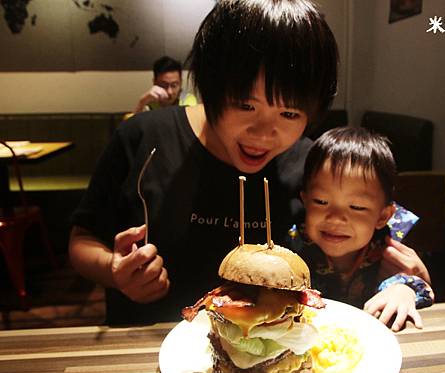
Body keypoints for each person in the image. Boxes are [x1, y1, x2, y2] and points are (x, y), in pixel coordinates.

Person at [69, 0, 338, 325]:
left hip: (268, 353)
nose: (265, 134)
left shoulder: (311, 164)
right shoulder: (142, 137)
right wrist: (114, 271)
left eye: (290, 113)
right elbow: (82, 240)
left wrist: (399, 274)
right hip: (143, 346)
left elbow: (376, 227)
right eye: (245, 105)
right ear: (210, 87)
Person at [292, 127, 434, 331]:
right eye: (321, 201)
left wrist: (402, 290)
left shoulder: (388, 247)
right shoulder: (290, 246)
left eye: (357, 207)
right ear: (305, 201)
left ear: (383, 216)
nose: (336, 218)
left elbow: (418, 285)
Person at [131, 56, 197, 115]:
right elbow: (132, 126)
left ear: (181, 83)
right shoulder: (150, 101)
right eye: (164, 85)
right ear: (155, 82)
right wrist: (142, 102)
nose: (169, 92)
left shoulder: (188, 100)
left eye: (174, 85)